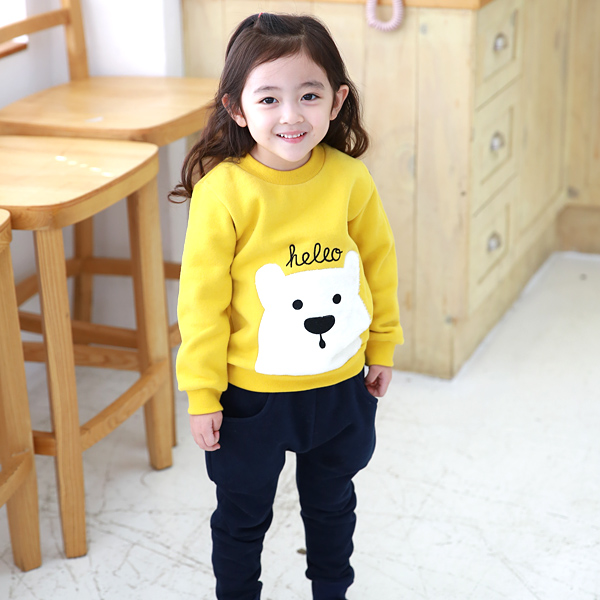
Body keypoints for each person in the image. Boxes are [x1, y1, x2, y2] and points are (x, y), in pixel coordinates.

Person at [170, 12, 403, 600]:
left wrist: (382, 346)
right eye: (269, 98)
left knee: (333, 503)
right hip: (252, 397)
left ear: (337, 100)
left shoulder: (350, 179)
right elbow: (201, 304)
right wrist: (203, 394)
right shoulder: (223, 192)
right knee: (242, 513)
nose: (292, 115)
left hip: (341, 385)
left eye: (309, 95)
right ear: (237, 108)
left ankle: (332, 589)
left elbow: (378, 265)